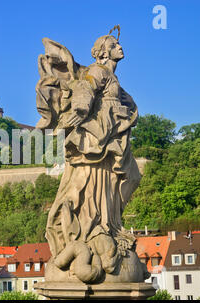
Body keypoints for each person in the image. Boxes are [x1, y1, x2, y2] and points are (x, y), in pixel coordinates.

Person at [37, 29, 147, 283]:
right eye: (115, 44)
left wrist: (128, 110)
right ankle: (94, 228)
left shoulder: (111, 75)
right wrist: (81, 107)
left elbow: (122, 101)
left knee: (125, 178)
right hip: (95, 136)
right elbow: (86, 87)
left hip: (109, 136)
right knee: (93, 184)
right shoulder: (97, 71)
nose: (120, 47)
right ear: (104, 51)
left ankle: (109, 226)